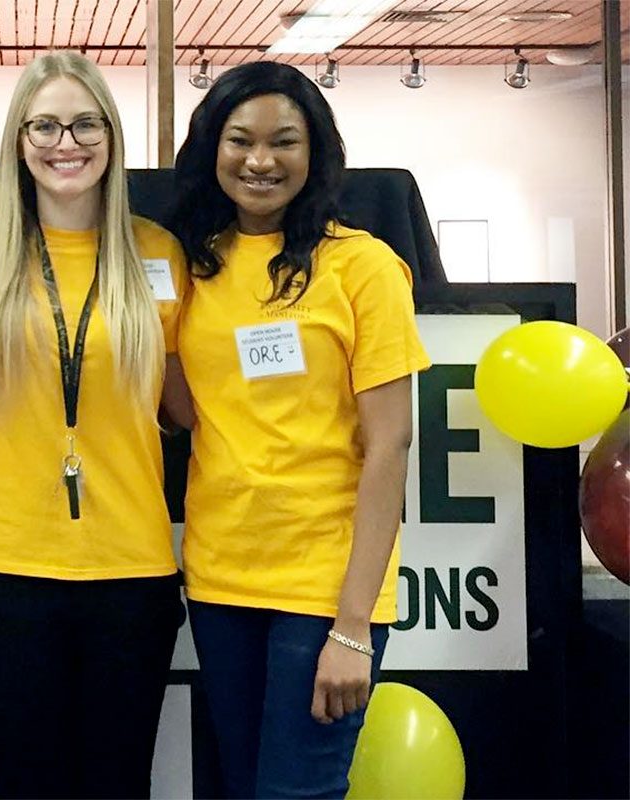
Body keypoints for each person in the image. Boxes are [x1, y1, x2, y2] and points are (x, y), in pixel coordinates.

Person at [167, 61, 432, 799]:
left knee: (298, 793)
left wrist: (352, 627)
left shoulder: (364, 266)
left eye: (284, 141)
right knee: (244, 785)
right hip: (221, 581)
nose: (260, 161)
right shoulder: (195, 266)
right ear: (211, 149)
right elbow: (187, 410)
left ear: (315, 153)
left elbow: (391, 445)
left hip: (323, 590)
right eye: (239, 140)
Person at [0, 51, 188, 799]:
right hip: (12, 570)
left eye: (86, 124)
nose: (66, 142)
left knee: (120, 784)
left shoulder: (156, 251)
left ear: (111, 137)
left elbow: (185, 403)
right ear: (19, 140)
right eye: (44, 124)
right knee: (29, 784)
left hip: (132, 571)